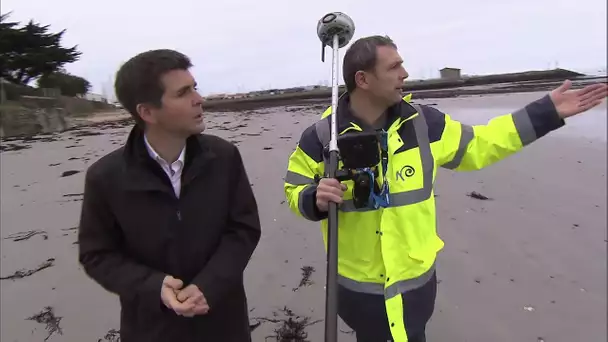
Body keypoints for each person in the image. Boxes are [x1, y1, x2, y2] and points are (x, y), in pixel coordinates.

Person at [284, 35, 607, 342]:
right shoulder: (322, 136)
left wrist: (546, 113)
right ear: (363, 80)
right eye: (394, 67)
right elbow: (294, 187)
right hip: (357, 291)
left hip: (416, 287)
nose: (405, 74)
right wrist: (315, 199)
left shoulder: (426, 124)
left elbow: (481, 145)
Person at [78, 49, 261, 342]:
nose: (198, 98)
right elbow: (97, 254)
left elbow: (244, 229)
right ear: (147, 112)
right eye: (183, 92)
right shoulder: (105, 177)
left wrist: (209, 286)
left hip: (224, 324)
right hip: (151, 329)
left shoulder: (224, 157)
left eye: (195, 87)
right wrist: (154, 287)